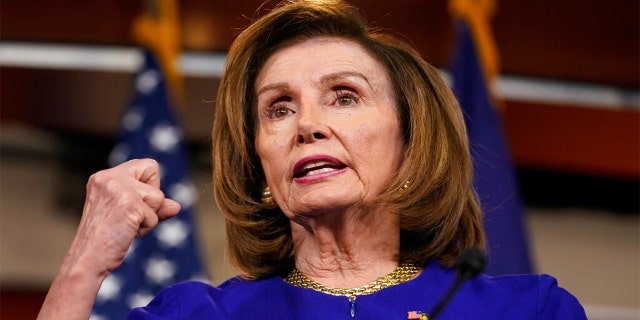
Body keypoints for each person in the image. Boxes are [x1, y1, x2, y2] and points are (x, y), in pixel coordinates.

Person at [38, 0, 587, 319]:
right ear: (260, 167)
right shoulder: (196, 316)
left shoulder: (527, 310)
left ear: (412, 144)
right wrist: (84, 264)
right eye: (278, 109)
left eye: (344, 96)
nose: (307, 125)